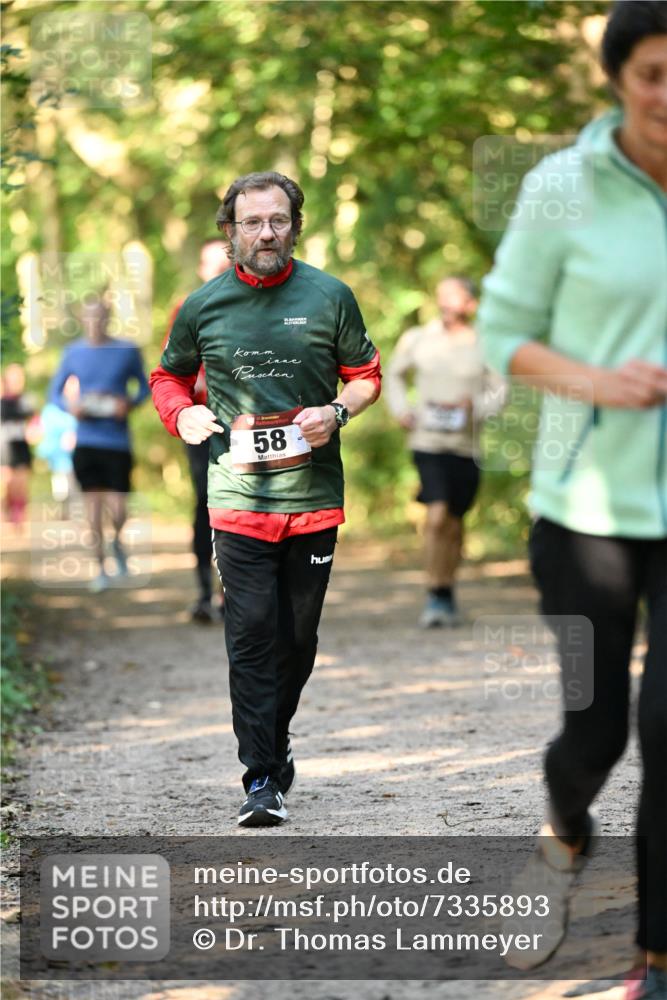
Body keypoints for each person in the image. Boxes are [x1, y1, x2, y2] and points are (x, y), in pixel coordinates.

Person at [479, 4, 667, 996]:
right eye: (652, 73)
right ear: (617, 79)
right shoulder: (561, 187)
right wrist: (599, 380)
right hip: (585, 501)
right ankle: (562, 833)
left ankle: (656, 961)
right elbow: (500, 333)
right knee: (594, 730)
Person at [150, 171, 381, 827]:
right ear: (230, 230)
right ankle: (260, 777)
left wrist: (335, 411)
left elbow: (366, 377)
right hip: (236, 497)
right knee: (250, 632)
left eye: (277, 220)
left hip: (312, 498)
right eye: (251, 222)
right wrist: (180, 416)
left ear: (294, 225)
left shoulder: (330, 296)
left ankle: (274, 746)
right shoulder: (202, 305)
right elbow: (168, 373)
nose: (265, 233)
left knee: (297, 641)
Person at [386, 277, 505, 627]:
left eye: (455, 298)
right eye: (442, 296)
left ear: (471, 305)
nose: (446, 304)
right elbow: (394, 376)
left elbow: (501, 391)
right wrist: (401, 410)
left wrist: (476, 408)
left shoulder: (486, 343)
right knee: (436, 516)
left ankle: (447, 589)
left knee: (454, 522)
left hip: (466, 446)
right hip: (427, 441)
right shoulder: (417, 339)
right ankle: (434, 593)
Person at [49, 299, 150, 592]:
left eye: (100, 316)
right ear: (82, 319)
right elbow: (54, 394)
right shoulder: (73, 352)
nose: (95, 322)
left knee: (118, 509)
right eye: (89, 316)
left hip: (117, 441)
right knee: (92, 507)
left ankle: (117, 541)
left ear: (108, 318)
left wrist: (128, 404)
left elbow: (145, 387)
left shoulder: (126, 350)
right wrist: (72, 408)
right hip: (86, 440)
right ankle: (100, 568)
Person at [165, 239, 232, 623]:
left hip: (246, 420)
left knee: (239, 502)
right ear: (201, 270)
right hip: (203, 420)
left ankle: (233, 594)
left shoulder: (252, 305)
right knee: (206, 500)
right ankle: (206, 593)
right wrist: (182, 411)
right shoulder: (187, 308)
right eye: (212, 266)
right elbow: (172, 371)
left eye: (224, 265)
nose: (218, 272)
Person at [1, 363, 36, 530]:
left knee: (21, 484)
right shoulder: (2, 402)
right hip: (5, 446)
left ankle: (19, 517)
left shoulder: (25, 400)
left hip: (21, 445)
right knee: (8, 483)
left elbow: (34, 420)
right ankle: (8, 512)